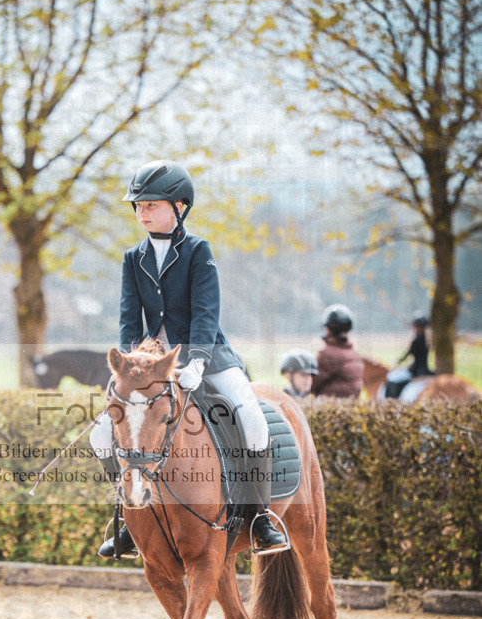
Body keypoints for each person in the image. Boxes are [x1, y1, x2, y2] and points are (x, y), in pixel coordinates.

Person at [93, 159, 286, 557]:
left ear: (179, 206)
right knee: (101, 434)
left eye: (150, 204)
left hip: (209, 356)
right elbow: (129, 319)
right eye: (138, 206)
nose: (141, 212)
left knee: (250, 417)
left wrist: (196, 361)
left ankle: (260, 517)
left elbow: (206, 313)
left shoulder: (199, 251)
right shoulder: (134, 258)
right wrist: (133, 361)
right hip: (151, 365)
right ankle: (129, 519)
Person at [311, 304, 364, 398]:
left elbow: (311, 383)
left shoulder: (327, 354)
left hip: (328, 406)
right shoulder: (354, 353)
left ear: (328, 330)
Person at [384, 316, 433, 399]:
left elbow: (408, 354)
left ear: (417, 327)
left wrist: (398, 361)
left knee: (392, 379)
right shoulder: (427, 340)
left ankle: (392, 399)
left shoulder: (416, 340)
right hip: (425, 369)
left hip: (416, 370)